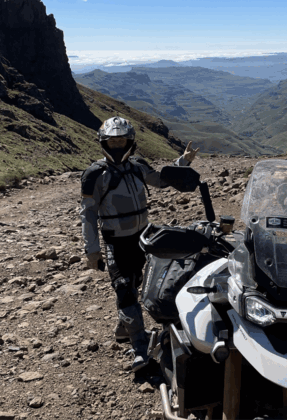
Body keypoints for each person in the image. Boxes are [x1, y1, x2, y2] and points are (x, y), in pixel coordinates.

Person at [80, 116, 199, 371]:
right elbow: (88, 214)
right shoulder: (94, 174)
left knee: (135, 283)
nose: (117, 146)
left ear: (130, 142)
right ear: (103, 143)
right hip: (115, 241)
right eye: (112, 142)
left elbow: (161, 180)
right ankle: (140, 349)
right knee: (124, 288)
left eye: (121, 141)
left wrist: (183, 162)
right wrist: (92, 250)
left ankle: (123, 329)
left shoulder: (138, 166)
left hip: (142, 239)